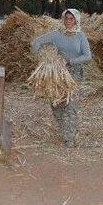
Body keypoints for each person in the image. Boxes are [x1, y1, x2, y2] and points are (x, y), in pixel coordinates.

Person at [31, 8, 92, 147]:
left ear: (76, 20)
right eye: (66, 18)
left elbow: (88, 56)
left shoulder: (80, 36)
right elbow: (36, 42)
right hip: (57, 73)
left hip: (74, 74)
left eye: (71, 18)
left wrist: (71, 61)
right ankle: (64, 130)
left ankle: (69, 138)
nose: (68, 21)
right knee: (56, 104)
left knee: (71, 105)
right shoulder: (56, 34)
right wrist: (42, 59)